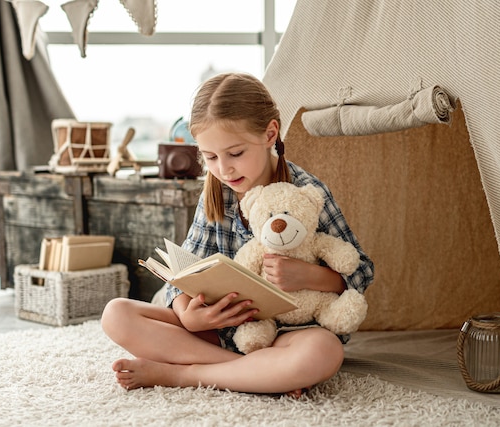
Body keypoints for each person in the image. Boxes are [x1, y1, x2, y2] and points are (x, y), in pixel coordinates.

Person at [101, 72, 374, 396]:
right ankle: (257, 374)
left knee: (324, 353)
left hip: (289, 334)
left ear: (270, 133)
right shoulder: (216, 191)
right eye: (211, 157)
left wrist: (310, 276)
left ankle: (182, 375)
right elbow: (188, 268)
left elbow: (361, 271)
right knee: (116, 314)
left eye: (235, 153)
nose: (224, 170)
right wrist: (188, 314)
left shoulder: (306, 192)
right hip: (222, 330)